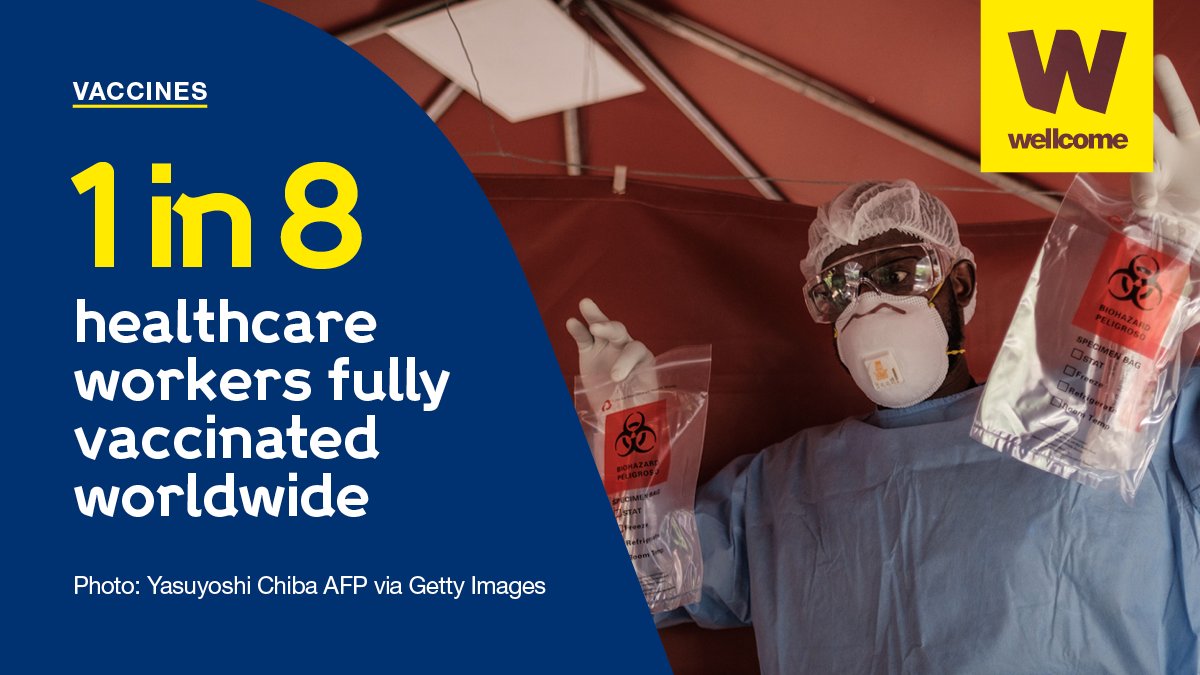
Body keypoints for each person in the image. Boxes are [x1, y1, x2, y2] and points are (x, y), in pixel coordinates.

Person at [566, 55, 1200, 673]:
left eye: (897, 273)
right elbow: (643, 584)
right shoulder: (778, 487)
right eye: (838, 290)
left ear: (961, 284)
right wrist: (629, 429)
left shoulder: (1107, 404)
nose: (867, 304)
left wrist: (1177, 251)